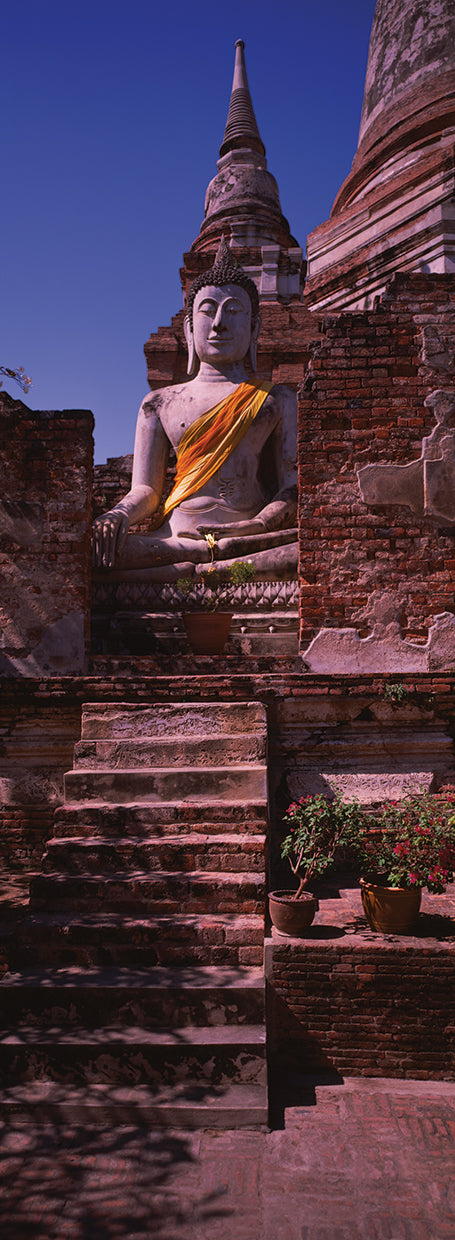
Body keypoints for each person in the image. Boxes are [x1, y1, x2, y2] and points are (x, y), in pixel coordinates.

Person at [93, 239, 298, 581]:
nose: (219, 323)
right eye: (207, 310)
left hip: (251, 539)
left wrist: (258, 524)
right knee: (93, 550)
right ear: (189, 328)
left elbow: (290, 488)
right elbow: (146, 490)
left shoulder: (277, 399)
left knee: (307, 551)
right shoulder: (159, 402)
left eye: (233, 311)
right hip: (174, 538)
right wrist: (119, 515)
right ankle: (203, 559)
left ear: (255, 329)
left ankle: (201, 563)